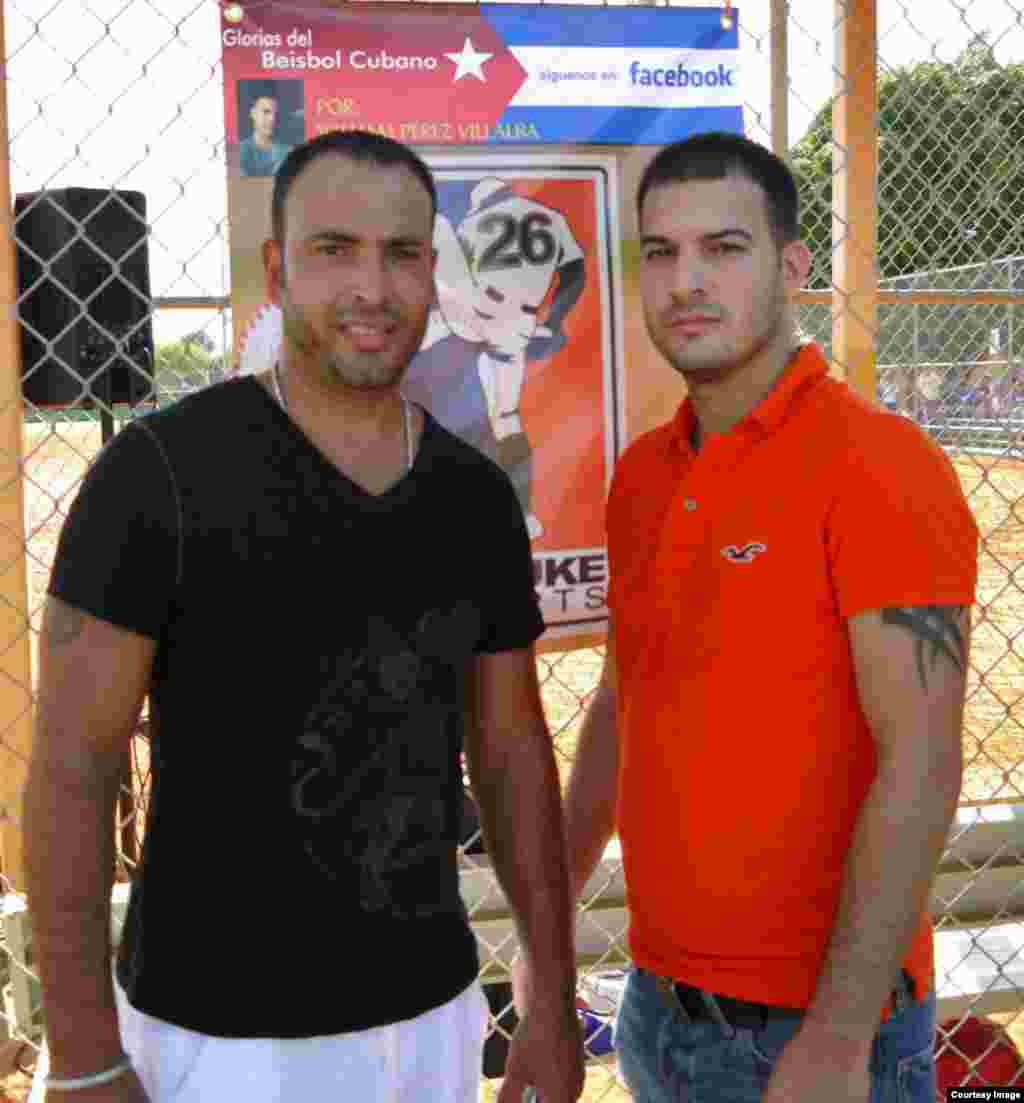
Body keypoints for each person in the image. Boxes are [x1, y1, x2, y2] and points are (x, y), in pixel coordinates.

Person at [23, 129, 584, 1103]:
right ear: (279, 270)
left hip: (430, 1021)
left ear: (433, 272)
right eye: (335, 249)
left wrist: (546, 995)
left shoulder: (473, 497)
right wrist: (81, 1051)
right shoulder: (157, 477)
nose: (371, 286)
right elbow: (73, 768)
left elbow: (510, 749)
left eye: (402, 252)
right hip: (218, 1038)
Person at [556, 132, 978, 1103]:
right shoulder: (643, 478)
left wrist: (832, 1041)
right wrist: (544, 939)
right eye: (659, 252)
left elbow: (921, 761)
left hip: (818, 1034)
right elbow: (621, 707)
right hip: (658, 1012)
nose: (685, 279)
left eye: (723, 248)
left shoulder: (877, 463)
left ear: (791, 265)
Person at [415, 178, 587, 540]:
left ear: (486, 200)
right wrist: (553, 322)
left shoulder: (477, 220)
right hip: (517, 324)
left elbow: (451, 279)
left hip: (471, 308)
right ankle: (523, 515)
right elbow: (575, 272)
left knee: (441, 237)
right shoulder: (551, 219)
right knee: (507, 419)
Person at [239, 88, 293, 178]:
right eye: (266, 112)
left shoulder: (288, 153)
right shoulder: (239, 152)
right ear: (253, 113)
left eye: (276, 114)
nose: (272, 119)